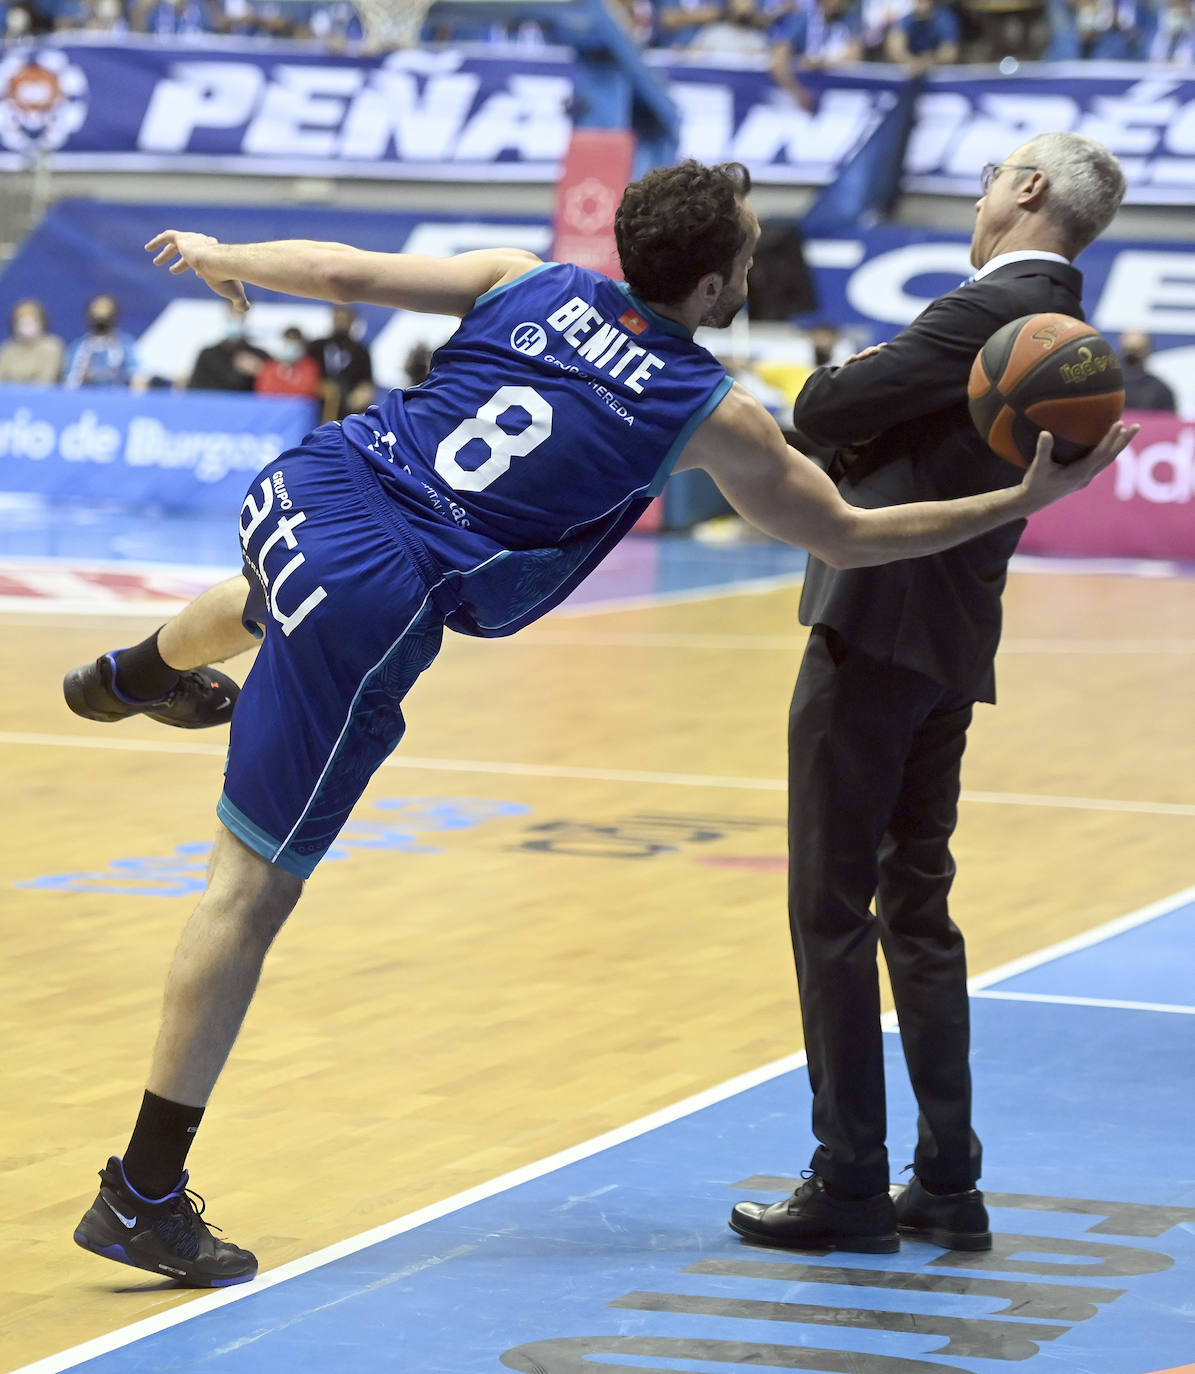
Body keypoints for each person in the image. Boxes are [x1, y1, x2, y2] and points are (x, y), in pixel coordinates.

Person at [61, 159, 1131, 1289]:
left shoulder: (523, 277)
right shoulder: (707, 409)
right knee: (246, 893)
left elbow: (337, 269)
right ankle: (142, 1193)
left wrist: (227, 260)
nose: (758, 261)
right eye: (751, 247)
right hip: (372, 593)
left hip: (312, 482)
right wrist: (1019, 503)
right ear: (715, 283)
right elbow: (852, 537)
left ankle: (138, 671)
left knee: (293, 586)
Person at [730, 132, 1128, 1256]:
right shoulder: (1062, 327)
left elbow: (825, 405)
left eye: (997, 170)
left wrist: (846, 409)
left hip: (875, 627)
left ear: (1028, 190)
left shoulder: (991, 315)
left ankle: (848, 1179)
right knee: (917, 905)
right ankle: (947, 1179)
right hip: (953, 637)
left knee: (829, 910)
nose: (982, 186)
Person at [62, 294, 145, 390]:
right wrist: (82, 377)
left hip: (118, 398)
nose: (101, 313)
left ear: (114, 315)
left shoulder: (125, 344)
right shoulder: (79, 346)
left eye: (106, 308)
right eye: (96, 308)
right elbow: (68, 381)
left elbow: (138, 376)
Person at [310, 305, 374, 420]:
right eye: (337, 319)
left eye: (344, 320)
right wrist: (319, 386)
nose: (341, 324)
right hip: (318, 401)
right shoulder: (316, 347)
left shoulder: (361, 351)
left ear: (352, 322)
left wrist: (361, 394)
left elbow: (366, 383)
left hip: (348, 401)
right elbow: (305, 372)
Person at [187, 306, 270, 392]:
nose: (234, 322)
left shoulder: (259, 356)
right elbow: (194, 388)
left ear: (245, 319)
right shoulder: (207, 355)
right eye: (231, 318)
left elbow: (274, 391)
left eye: (238, 318)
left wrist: (261, 370)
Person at [0, 298, 64, 385]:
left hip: (41, 397)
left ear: (42, 323)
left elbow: (46, 380)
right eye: (22, 323)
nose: (26, 327)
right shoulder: (7, 349)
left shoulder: (52, 347)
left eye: (31, 322)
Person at [253, 325, 322, 399]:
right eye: (288, 344)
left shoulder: (309, 365)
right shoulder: (270, 366)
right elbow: (263, 390)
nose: (291, 348)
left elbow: (307, 390)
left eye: (294, 345)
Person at [1118, 330, 1177, 414]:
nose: (1132, 355)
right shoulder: (1107, 386)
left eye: (1137, 350)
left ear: (1149, 350)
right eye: (1129, 349)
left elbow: (1169, 422)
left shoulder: (1160, 390)